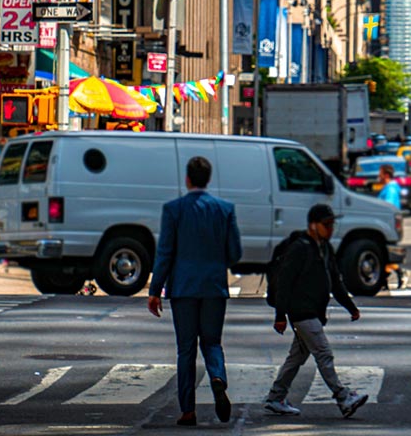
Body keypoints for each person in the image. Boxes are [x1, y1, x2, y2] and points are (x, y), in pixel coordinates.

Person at [147, 156, 243, 426]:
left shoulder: (173, 210)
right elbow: (235, 253)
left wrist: (155, 290)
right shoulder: (224, 209)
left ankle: (188, 410)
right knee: (212, 342)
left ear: (187, 179)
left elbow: (165, 252)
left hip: (183, 289)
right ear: (208, 179)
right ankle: (217, 377)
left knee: (186, 349)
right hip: (214, 286)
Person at [263, 203, 368, 419]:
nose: (330, 229)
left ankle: (276, 397)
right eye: (326, 224)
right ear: (313, 225)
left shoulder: (325, 249)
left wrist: (351, 307)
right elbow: (284, 282)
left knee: (296, 358)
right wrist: (280, 315)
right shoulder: (300, 248)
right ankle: (343, 397)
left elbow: (335, 282)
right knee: (323, 353)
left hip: (314, 311)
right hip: (301, 311)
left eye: (332, 224)